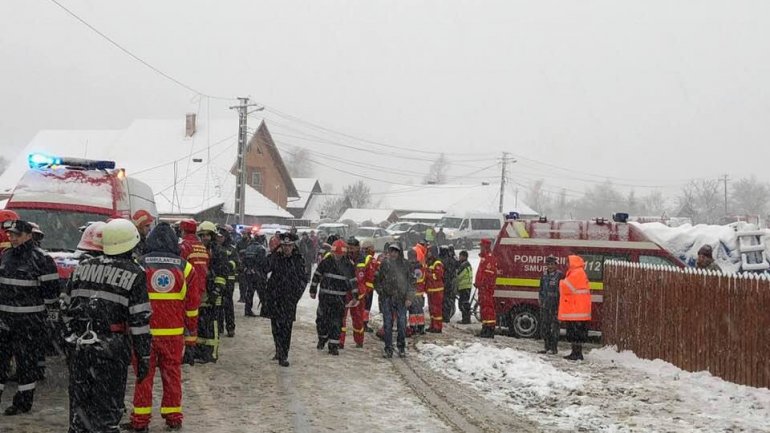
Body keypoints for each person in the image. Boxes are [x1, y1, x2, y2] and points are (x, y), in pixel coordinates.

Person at [62, 218, 152, 432]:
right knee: (107, 411)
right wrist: (143, 355)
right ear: (132, 243)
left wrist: (69, 343)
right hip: (111, 349)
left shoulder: (82, 267)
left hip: (80, 346)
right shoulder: (135, 273)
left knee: (79, 407)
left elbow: (65, 308)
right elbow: (139, 321)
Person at [128, 223, 196, 431]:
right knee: (172, 375)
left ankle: (140, 421)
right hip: (173, 335)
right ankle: (173, 416)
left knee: (143, 376)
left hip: (144, 333)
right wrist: (191, 334)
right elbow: (191, 306)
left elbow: (130, 301)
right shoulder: (185, 267)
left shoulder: (139, 264)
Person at [0, 219, 60, 415]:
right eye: (10, 234)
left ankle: (23, 403)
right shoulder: (5, 256)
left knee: (26, 365)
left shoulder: (43, 260)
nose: (12, 238)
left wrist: (51, 322)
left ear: (28, 235)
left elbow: (52, 295)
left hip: (29, 324)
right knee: (1, 363)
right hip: (4, 322)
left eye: (16, 234)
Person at [264, 234, 307, 366]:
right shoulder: (275, 258)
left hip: (289, 300)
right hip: (275, 298)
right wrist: (272, 253)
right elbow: (264, 268)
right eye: (284, 245)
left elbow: (303, 280)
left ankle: (284, 354)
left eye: (289, 246)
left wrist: (295, 297)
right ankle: (278, 349)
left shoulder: (298, 260)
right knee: (275, 327)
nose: (286, 248)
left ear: (293, 246)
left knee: (286, 328)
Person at [309, 239, 356, 355]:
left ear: (344, 253)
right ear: (333, 252)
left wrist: (356, 296)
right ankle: (322, 338)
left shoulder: (348, 265)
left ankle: (333, 346)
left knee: (337, 322)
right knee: (321, 320)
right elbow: (317, 276)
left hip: (340, 300)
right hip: (325, 297)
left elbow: (353, 282)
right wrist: (313, 290)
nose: (338, 256)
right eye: (336, 253)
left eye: (340, 253)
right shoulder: (326, 262)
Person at [195, 221, 229, 364]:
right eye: (202, 235)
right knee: (200, 323)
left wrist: (216, 291)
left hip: (214, 293)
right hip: (201, 292)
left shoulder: (219, 251)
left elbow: (223, 274)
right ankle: (200, 351)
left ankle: (211, 353)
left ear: (213, 236)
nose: (205, 238)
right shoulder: (198, 251)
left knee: (212, 324)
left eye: (208, 235)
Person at [178, 219, 209, 365]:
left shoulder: (184, 246)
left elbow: (179, 268)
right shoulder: (201, 246)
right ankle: (195, 351)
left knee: (187, 320)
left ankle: (188, 353)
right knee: (195, 320)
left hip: (188, 289)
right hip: (201, 289)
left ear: (183, 230)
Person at [375, 244, 414, 358]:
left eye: (396, 252)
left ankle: (401, 347)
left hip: (402, 299)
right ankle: (388, 348)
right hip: (387, 298)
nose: (393, 254)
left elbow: (412, 282)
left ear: (400, 252)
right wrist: (381, 292)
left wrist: (409, 297)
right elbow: (377, 280)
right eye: (391, 251)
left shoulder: (406, 265)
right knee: (387, 324)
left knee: (402, 324)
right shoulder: (384, 264)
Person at [558, 255, 591, 361]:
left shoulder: (577, 273)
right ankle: (576, 353)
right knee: (576, 333)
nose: (566, 264)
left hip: (576, 309)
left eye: (568, 262)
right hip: (578, 309)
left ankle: (576, 354)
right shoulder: (578, 272)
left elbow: (567, 287)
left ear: (572, 263)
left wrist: (561, 281)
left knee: (575, 333)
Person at [340, 237, 367, 349]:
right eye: (348, 246)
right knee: (341, 317)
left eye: (352, 246)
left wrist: (364, 291)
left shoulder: (364, 259)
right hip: (345, 292)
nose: (350, 248)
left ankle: (359, 340)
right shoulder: (343, 257)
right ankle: (340, 341)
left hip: (358, 294)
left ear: (358, 247)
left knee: (358, 319)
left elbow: (368, 278)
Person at [216, 226, 239, 338]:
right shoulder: (213, 248)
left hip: (228, 280)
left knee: (228, 305)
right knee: (217, 304)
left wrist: (227, 264)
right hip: (216, 279)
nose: (219, 239)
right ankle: (219, 327)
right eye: (217, 236)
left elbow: (237, 262)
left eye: (221, 237)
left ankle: (230, 328)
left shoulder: (231, 248)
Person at [538, 256, 563, 354]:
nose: (550, 266)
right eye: (548, 264)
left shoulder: (560, 275)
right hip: (545, 305)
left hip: (555, 305)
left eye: (552, 264)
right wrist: (540, 299)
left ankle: (554, 348)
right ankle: (546, 347)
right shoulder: (544, 275)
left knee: (555, 327)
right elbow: (541, 289)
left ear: (556, 265)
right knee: (545, 326)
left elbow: (562, 291)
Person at [476, 238, 498, 338]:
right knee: (484, 309)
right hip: (483, 289)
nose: (480, 248)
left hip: (486, 288)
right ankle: (485, 327)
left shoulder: (489, 259)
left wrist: (481, 284)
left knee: (488, 308)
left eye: (481, 246)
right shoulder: (485, 258)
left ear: (485, 247)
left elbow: (488, 276)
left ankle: (489, 329)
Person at [240, 238, 268, 317]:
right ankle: (264, 311)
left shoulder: (248, 248)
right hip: (258, 274)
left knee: (250, 292)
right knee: (262, 293)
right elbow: (262, 262)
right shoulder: (261, 249)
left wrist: (248, 268)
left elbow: (244, 260)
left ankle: (247, 310)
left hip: (249, 273)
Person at [358, 240, 378, 333]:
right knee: (366, 307)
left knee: (365, 306)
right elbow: (368, 272)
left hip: (367, 286)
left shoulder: (365, 257)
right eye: (372, 248)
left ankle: (363, 323)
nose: (374, 249)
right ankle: (363, 324)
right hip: (367, 287)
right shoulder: (368, 258)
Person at [425, 245, 445, 333]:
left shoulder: (437, 263)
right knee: (432, 309)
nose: (428, 253)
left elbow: (437, 276)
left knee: (437, 310)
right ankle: (433, 325)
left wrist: (427, 274)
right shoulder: (429, 262)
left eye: (429, 252)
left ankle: (438, 327)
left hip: (437, 290)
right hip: (430, 290)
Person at [407, 248, 427, 334]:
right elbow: (422, 278)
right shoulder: (420, 266)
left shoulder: (410, 267)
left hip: (413, 292)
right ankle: (421, 327)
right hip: (420, 291)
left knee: (412, 311)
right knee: (419, 310)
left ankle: (413, 327)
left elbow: (411, 279)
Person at [440, 246, 458, 323]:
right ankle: (447, 315)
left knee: (444, 300)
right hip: (451, 282)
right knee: (448, 299)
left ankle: (445, 316)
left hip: (444, 282)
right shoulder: (452, 260)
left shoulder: (442, 261)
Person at [455, 250, 473, 324]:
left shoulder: (463, 265)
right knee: (465, 303)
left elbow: (458, 276)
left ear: (464, 257)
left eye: (460, 256)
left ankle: (465, 319)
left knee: (463, 304)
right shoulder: (468, 264)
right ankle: (466, 318)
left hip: (464, 286)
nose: (459, 257)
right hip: (467, 286)